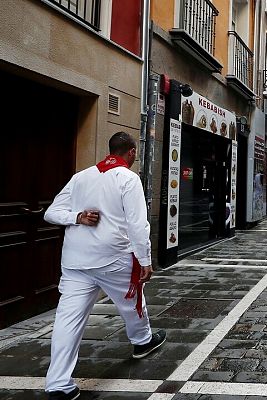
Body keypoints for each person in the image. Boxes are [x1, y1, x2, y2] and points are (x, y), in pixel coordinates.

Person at [43, 132, 166, 400]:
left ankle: (58, 384)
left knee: (68, 319)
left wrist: (76, 216)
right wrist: (144, 260)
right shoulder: (128, 178)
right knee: (131, 301)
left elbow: (50, 213)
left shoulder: (81, 177)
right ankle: (142, 340)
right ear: (132, 152)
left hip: (76, 261)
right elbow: (137, 224)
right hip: (112, 257)